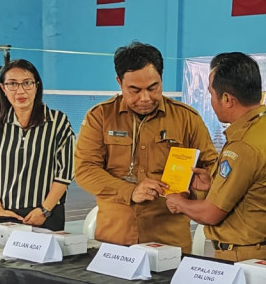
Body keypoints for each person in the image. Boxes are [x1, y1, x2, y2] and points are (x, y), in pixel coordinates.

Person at [73, 42, 218, 251]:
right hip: (115, 240)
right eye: (134, 90)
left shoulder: (187, 119)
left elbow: (213, 169)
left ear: (161, 79)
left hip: (170, 242)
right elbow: (85, 170)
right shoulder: (100, 117)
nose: (145, 98)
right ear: (119, 82)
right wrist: (130, 191)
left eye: (153, 88)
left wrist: (196, 193)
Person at [165, 52, 266, 263]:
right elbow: (253, 188)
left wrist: (178, 202)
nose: (211, 101)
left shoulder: (243, 144)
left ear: (226, 99)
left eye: (211, 94)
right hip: (263, 253)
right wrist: (214, 185)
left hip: (242, 257)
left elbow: (210, 213)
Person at [0, 59, 74, 231]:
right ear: (3, 88)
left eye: (27, 83)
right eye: (12, 84)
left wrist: (44, 210)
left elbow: (64, 174)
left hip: (47, 216)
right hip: (4, 215)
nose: (20, 91)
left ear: (37, 86)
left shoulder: (58, 122)